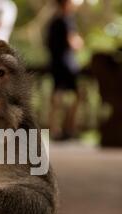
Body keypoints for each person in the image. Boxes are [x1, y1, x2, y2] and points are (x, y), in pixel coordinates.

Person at [46, 0, 84, 140]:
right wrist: (78, 42)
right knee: (73, 95)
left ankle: (56, 128)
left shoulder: (53, 21)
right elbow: (73, 42)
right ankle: (68, 127)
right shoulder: (65, 21)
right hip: (67, 64)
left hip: (56, 63)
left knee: (57, 95)